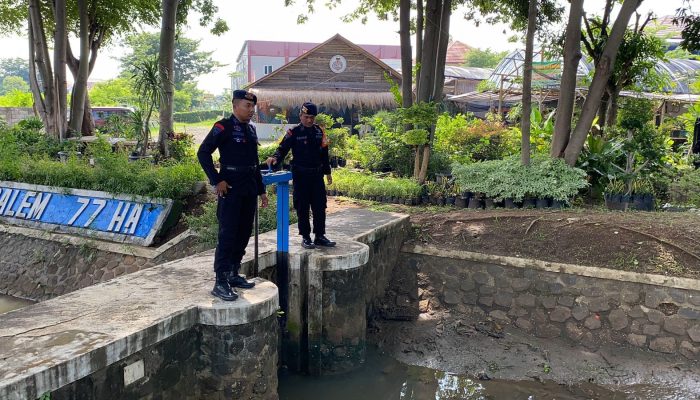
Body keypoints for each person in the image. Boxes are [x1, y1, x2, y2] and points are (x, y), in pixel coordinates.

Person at [197, 89, 268, 301]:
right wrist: (216, 179)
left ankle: (233, 272)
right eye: (247, 106)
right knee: (228, 234)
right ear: (235, 106)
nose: (251, 110)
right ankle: (220, 280)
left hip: (249, 188)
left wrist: (262, 191)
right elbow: (203, 152)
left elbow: (254, 163)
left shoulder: (251, 130)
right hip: (230, 187)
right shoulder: (223, 127)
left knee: (244, 232)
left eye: (253, 107)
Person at [266, 102, 336, 249]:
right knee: (302, 206)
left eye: (312, 117)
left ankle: (320, 235)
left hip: (317, 175)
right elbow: (282, 148)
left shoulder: (319, 131)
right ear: (300, 116)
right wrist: (275, 158)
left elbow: (324, 153)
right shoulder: (294, 132)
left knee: (319, 206)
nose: (309, 120)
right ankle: (305, 237)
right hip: (301, 175)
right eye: (306, 117)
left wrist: (328, 172)